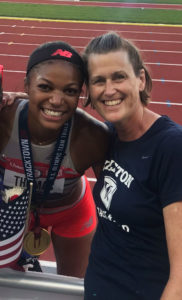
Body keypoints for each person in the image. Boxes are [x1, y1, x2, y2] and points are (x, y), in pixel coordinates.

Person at [82, 31, 182, 300]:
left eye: (119, 76)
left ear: (140, 79)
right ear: (89, 91)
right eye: (98, 81)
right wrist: (12, 100)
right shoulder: (105, 137)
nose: (109, 89)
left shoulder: (172, 147)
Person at [0, 41, 109, 276]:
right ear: (28, 86)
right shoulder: (4, 120)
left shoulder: (93, 137)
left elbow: (117, 203)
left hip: (72, 212)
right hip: (13, 209)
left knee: (76, 285)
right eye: (45, 87)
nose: (57, 100)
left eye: (69, 91)